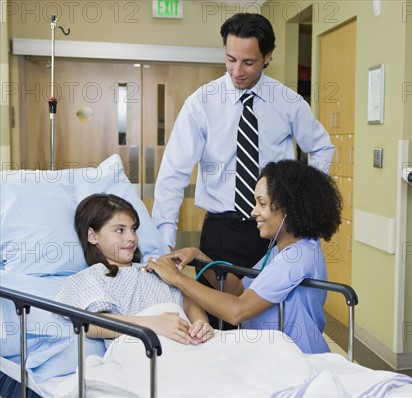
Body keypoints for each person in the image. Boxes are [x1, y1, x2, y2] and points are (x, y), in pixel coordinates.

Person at [151, 12, 334, 279]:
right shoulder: (201, 103)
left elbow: (321, 147)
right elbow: (173, 173)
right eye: (231, 59)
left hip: (276, 228)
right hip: (221, 231)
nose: (237, 71)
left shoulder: (288, 102)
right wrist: (164, 240)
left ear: (268, 56)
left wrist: (301, 205)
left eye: (248, 62)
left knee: (270, 314)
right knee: (216, 316)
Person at [146, 160, 342, 354]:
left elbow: (237, 311)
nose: (253, 211)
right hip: (275, 355)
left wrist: (178, 278)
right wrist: (200, 256)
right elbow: (238, 289)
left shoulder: (297, 257)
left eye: (262, 203)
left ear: (289, 208)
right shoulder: (280, 249)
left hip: (298, 358)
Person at [55, 193, 214, 346]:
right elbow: (90, 324)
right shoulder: (92, 277)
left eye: (133, 229)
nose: (131, 238)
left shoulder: (155, 270)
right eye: (119, 230)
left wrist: (201, 324)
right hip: (143, 350)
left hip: (189, 342)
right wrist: (152, 325)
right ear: (92, 236)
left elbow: (187, 300)